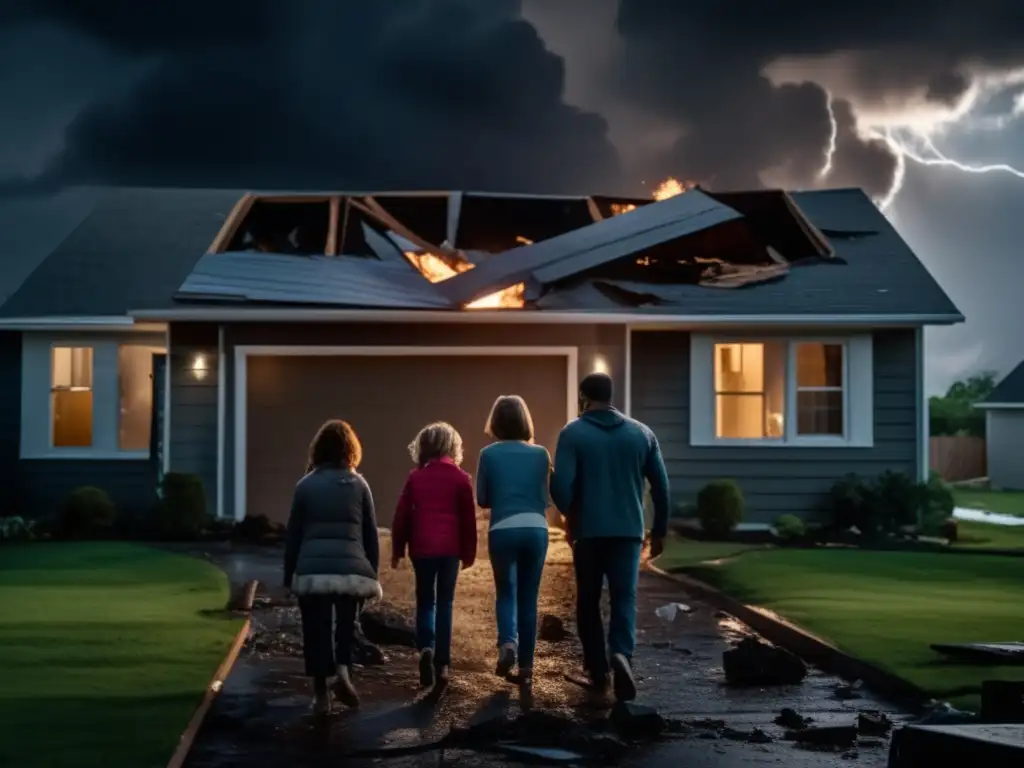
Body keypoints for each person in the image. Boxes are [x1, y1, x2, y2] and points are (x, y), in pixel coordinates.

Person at [550, 372, 670, 702]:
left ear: (583, 398)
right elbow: (661, 487)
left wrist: (568, 512)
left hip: (589, 531)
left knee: (588, 600)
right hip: (628, 531)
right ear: (611, 396)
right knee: (624, 596)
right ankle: (621, 654)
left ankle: (597, 670)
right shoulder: (642, 434)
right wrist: (659, 531)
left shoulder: (573, 434)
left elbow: (561, 486)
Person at [285, 419, 381, 714]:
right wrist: (370, 574)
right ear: (351, 449)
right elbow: (371, 536)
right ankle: (342, 669)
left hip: (312, 571)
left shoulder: (305, 486)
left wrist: (290, 576)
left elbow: (294, 536)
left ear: (318, 451)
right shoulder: (360, 485)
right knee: (345, 625)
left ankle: (320, 695)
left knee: (316, 629)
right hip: (351, 571)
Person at [392, 422, 477, 690]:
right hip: (450, 550)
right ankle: (442, 664)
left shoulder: (415, 478)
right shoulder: (461, 479)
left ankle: (425, 647)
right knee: (445, 603)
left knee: (426, 600)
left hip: (422, 548)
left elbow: (401, 517)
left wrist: (398, 549)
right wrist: (469, 553)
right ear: (453, 447)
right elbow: (468, 521)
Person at [476, 395, 551, 690]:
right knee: (529, 597)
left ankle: (508, 642)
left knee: (506, 592)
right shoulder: (541, 454)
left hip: (503, 527)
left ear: (495, 422)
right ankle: (528, 668)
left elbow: (482, 499)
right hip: (535, 528)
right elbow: (546, 497)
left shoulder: (488, 454)